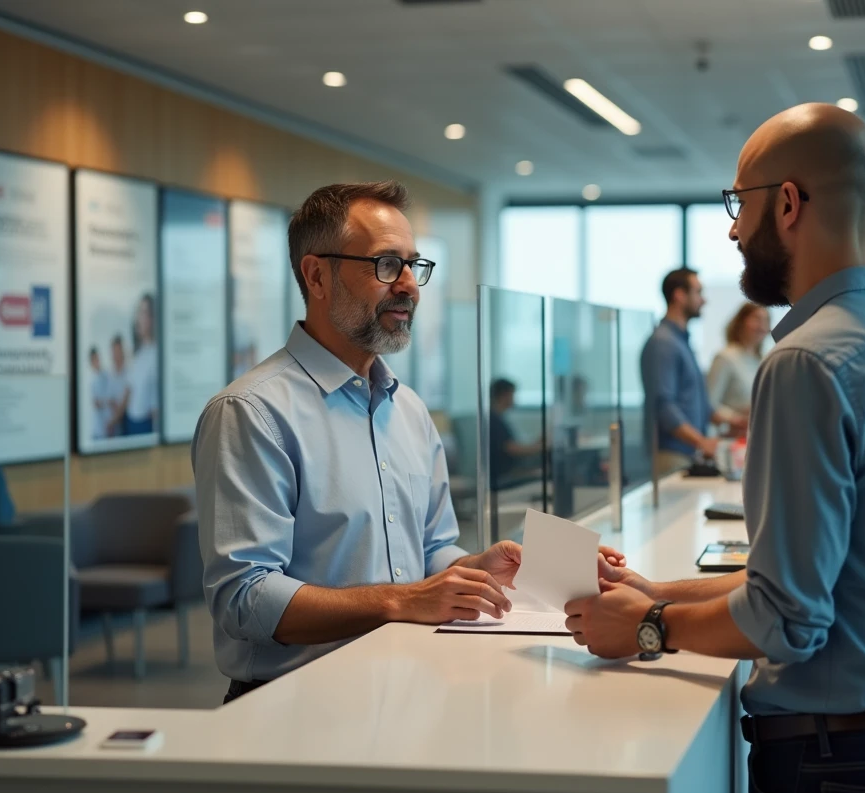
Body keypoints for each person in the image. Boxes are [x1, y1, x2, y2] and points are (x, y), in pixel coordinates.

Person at [566, 103, 865, 793]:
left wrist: (648, 627)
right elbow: (824, 580)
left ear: (787, 203)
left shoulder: (805, 362)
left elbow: (787, 621)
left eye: (738, 202)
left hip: (840, 766)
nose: (731, 227)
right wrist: (656, 590)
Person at [193, 181, 622, 703]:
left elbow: (431, 552)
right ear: (316, 275)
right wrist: (404, 599)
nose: (410, 287)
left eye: (413, 266)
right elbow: (245, 598)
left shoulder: (409, 410)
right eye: (385, 264)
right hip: (293, 704)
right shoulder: (252, 412)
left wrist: (476, 570)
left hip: (409, 686)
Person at [640, 268, 726, 474]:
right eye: (698, 292)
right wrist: (702, 441)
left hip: (686, 454)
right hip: (672, 456)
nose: (703, 300)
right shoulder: (663, 343)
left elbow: (695, 401)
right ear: (679, 295)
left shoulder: (681, 342)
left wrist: (732, 421)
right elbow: (664, 406)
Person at [706, 303, 770, 437]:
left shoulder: (763, 360)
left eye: (766, 321)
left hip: (757, 438)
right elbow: (708, 404)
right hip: (731, 439)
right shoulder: (725, 357)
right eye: (757, 319)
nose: (762, 326)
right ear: (741, 322)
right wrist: (736, 418)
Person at [487, 378, 542, 488]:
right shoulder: (493, 421)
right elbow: (512, 449)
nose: (514, 399)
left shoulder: (497, 418)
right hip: (504, 476)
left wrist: (538, 444)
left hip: (510, 471)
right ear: (504, 395)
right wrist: (541, 447)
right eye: (513, 394)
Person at [123, 293, 159, 435]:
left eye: (144, 313)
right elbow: (129, 390)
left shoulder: (157, 354)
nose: (140, 318)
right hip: (130, 421)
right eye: (139, 312)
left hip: (145, 425)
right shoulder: (138, 353)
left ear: (153, 318)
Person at [106, 335, 129, 437]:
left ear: (122, 352)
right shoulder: (110, 374)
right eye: (113, 351)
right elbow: (110, 399)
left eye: (118, 351)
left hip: (126, 420)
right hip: (114, 421)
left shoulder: (129, 372)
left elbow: (126, 401)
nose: (115, 354)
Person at [88, 347, 111, 440]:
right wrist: (107, 401)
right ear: (91, 362)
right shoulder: (91, 380)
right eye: (94, 359)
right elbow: (96, 404)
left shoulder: (106, 374)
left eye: (97, 358)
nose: (97, 361)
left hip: (108, 425)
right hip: (97, 429)